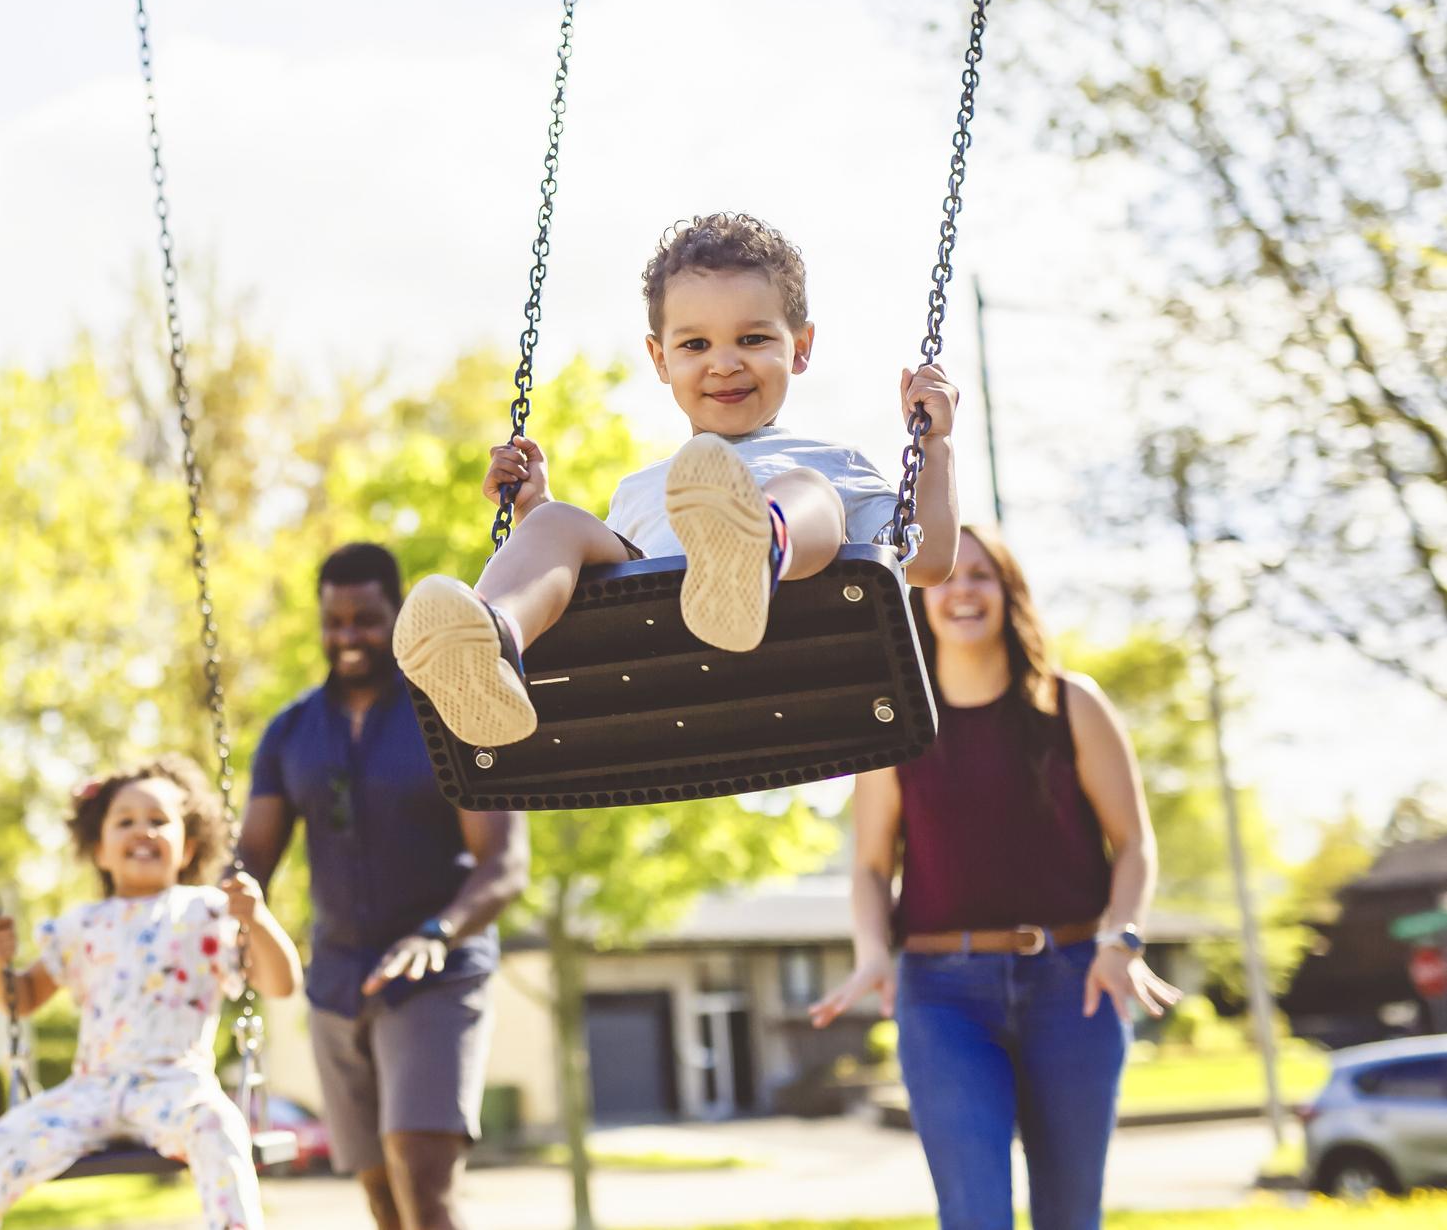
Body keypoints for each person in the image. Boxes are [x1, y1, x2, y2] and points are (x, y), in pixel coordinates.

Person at [390, 212, 961, 748]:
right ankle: (490, 644)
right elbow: (596, 584)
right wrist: (534, 505)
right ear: (659, 358)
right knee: (562, 523)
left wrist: (934, 444)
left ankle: (754, 547)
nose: (724, 363)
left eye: (754, 339)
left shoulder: (832, 462)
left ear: (800, 348)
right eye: (695, 344)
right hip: (657, 647)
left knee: (809, 491)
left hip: (789, 638)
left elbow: (927, 559)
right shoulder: (643, 491)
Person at [807, 524, 1184, 1230]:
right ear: (916, 602)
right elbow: (867, 865)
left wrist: (1119, 939)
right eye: (944, 576)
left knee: (1070, 1218)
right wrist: (868, 954)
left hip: (1074, 985)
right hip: (942, 997)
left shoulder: (1072, 704)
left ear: (1009, 593)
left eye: (981, 574)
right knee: (974, 1215)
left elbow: (1133, 842)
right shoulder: (894, 724)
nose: (962, 590)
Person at [236, 542, 529, 1230]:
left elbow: (503, 864)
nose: (347, 637)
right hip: (337, 983)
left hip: (435, 976)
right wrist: (222, 905)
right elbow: (254, 853)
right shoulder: (290, 732)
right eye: (333, 621)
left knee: (424, 1188)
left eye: (364, 619)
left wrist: (438, 933)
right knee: (381, 1203)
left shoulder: (449, 713)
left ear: (396, 615)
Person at [0, 759, 301, 1230]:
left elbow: (281, 983)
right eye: (125, 821)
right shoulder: (80, 927)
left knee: (220, 1129)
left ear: (187, 847)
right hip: (90, 1091)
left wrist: (258, 920)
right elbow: (21, 999)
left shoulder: (207, 911)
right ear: (100, 850)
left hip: (174, 1086)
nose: (142, 831)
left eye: (158, 821)